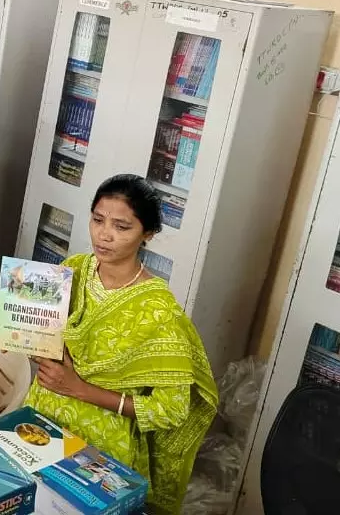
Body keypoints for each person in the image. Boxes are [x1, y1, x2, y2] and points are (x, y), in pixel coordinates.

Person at [23, 174, 217, 515]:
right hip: (43, 417)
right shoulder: (73, 270)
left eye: (122, 226)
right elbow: (49, 344)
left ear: (148, 234)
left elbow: (171, 409)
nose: (104, 234)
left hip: (99, 448)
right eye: (98, 220)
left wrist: (82, 389)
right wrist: (20, 326)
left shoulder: (157, 311)